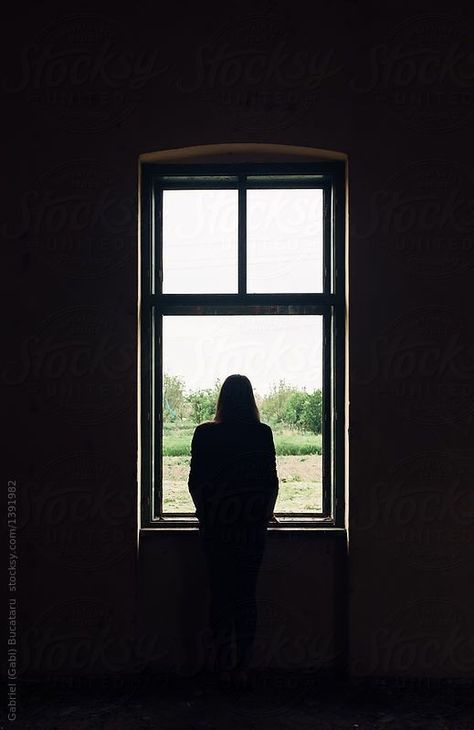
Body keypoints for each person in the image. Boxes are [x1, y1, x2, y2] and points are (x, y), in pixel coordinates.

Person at [188, 374, 279, 689]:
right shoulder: (261, 433)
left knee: (220, 594)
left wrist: (206, 514)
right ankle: (242, 666)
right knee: (246, 596)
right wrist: (266, 514)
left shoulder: (204, 434)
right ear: (251, 399)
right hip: (250, 527)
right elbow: (270, 482)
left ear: (221, 400)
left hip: (217, 527)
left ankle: (221, 664)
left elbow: (195, 482)